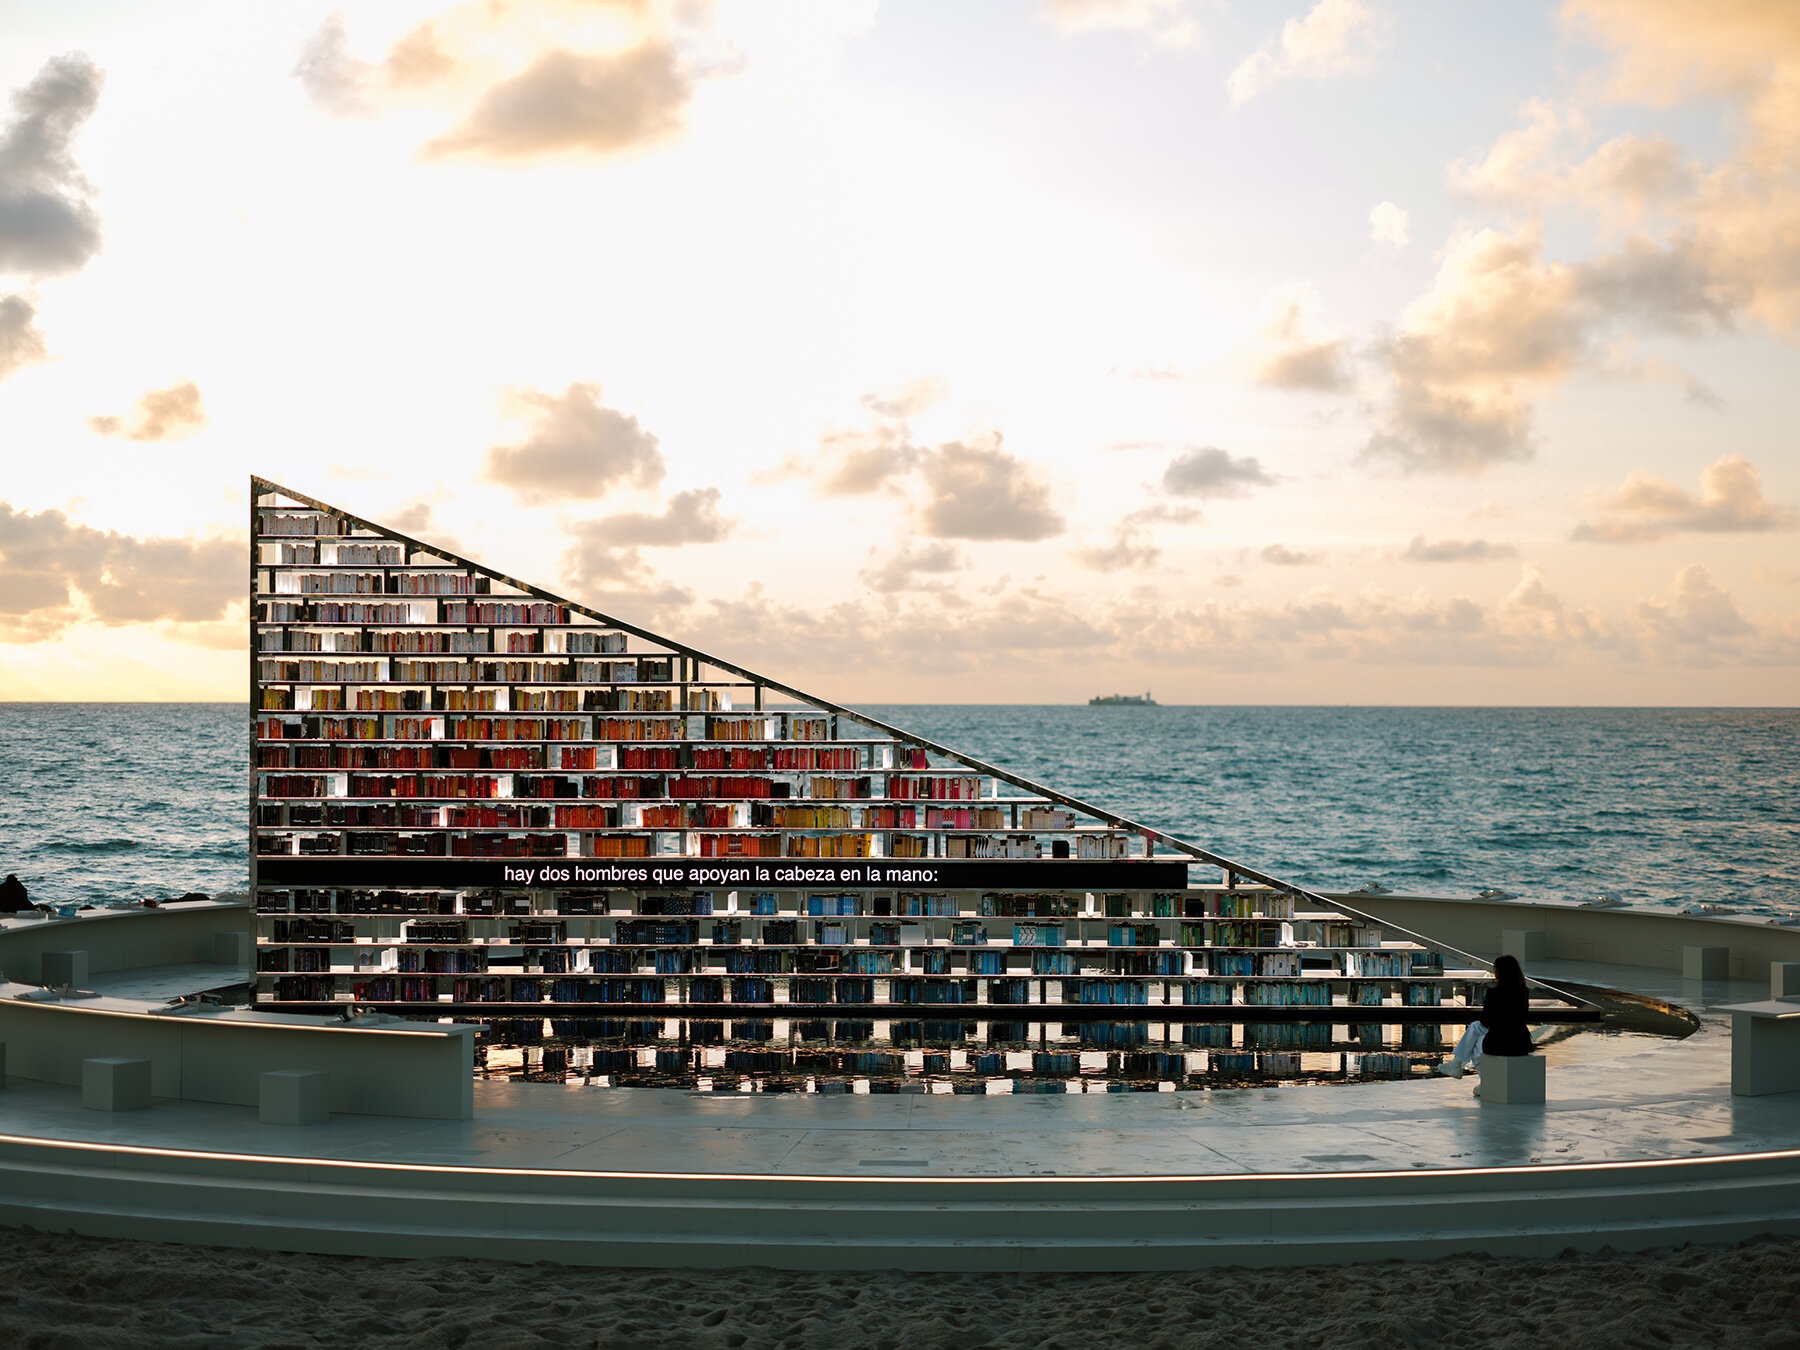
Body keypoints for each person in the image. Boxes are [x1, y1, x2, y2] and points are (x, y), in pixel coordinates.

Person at [1434, 953, 1534, 1078]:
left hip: (1502, 1042)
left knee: (1476, 1044)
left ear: (1500, 972)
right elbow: (1522, 1016)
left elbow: (1486, 1021)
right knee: (1476, 1030)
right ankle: (1456, 1064)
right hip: (1521, 1042)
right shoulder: (1523, 992)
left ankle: (1475, 1076)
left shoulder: (1494, 993)